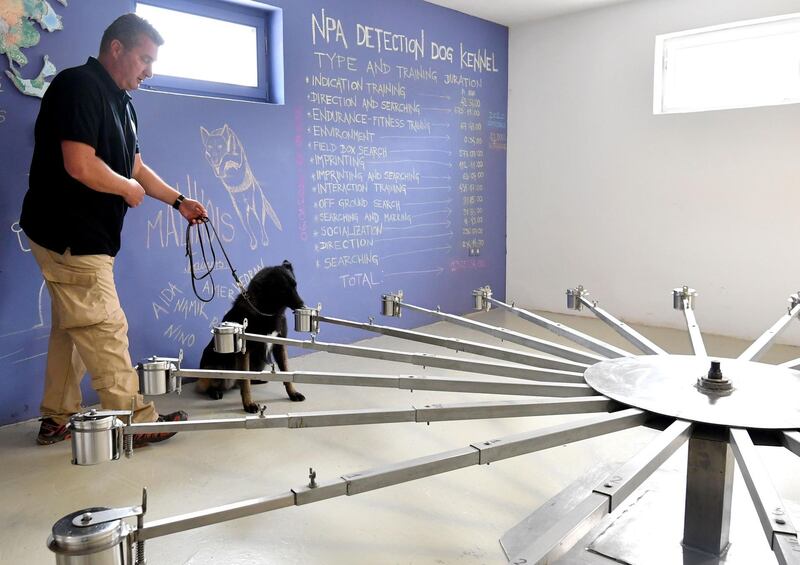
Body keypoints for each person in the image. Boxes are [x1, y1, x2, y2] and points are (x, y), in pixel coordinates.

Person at [19, 13, 207, 446]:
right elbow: (79, 164)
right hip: (70, 234)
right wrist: (125, 189)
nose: (149, 71)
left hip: (84, 235)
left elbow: (136, 166)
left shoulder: (122, 101)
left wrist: (178, 202)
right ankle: (135, 418)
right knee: (104, 324)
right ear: (116, 49)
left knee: (74, 324)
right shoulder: (79, 86)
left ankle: (56, 417)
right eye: (144, 58)